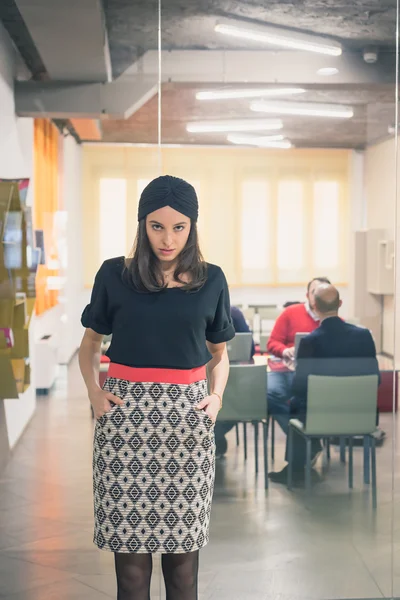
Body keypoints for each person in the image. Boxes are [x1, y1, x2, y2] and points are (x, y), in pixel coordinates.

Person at [79, 175, 235, 600]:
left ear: (193, 227)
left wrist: (216, 399)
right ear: (141, 224)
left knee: (183, 569)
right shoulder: (115, 274)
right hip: (124, 425)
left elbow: (219, 355)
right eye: (157, 226)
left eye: (179, 227)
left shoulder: (212, 280)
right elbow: (90, 345)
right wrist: (95, 392)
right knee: (130, 571)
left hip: (187, 426)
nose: (167, 239)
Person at [269, 283, 380, 484]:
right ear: (340, 303)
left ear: (316, 308)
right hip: (361, 416)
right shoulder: (364, 336)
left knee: (295, 403)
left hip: (320, 417)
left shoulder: (310, 342)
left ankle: (295, 469)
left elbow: (299, 387)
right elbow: (376, 379)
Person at [267, 277, 331, 436]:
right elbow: (272, 343)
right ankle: (302, 437)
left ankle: (302, 441)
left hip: (318, 374)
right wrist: (285, 350)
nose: (317, 296)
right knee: (269, 392)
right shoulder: (290, 313)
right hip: (286, 370)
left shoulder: (334, 320)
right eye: (314, 292)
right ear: (307, 295)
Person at [214, 306, 256, 457]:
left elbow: (249, 348)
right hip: (214, 375)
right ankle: (216, 435)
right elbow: (249, 349)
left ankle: (216, 435)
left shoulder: (233, 313)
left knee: (235, 401)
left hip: (232, 374)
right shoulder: (233, 312)